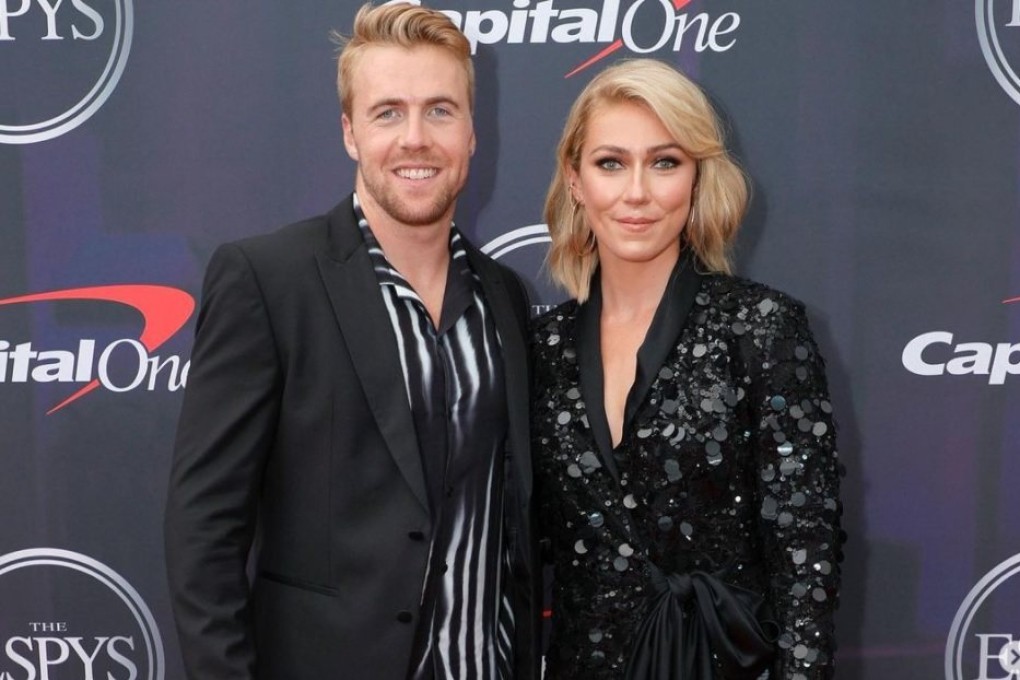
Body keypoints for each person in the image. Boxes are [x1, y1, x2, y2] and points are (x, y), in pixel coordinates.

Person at [163, 4, 539, 679]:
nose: (415, 138)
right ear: (350, 132)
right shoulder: (268, 279)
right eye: (388, 112)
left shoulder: (506, 298)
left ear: (473, 134)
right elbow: (204, 533)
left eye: (441, 110)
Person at [530, 59, 844, 679]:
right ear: (574, 179)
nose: (637, 192)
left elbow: (806, 558)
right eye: (611, 162)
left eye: (665, 162)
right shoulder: (542, 347)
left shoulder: (761, 328)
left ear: (697, 178)